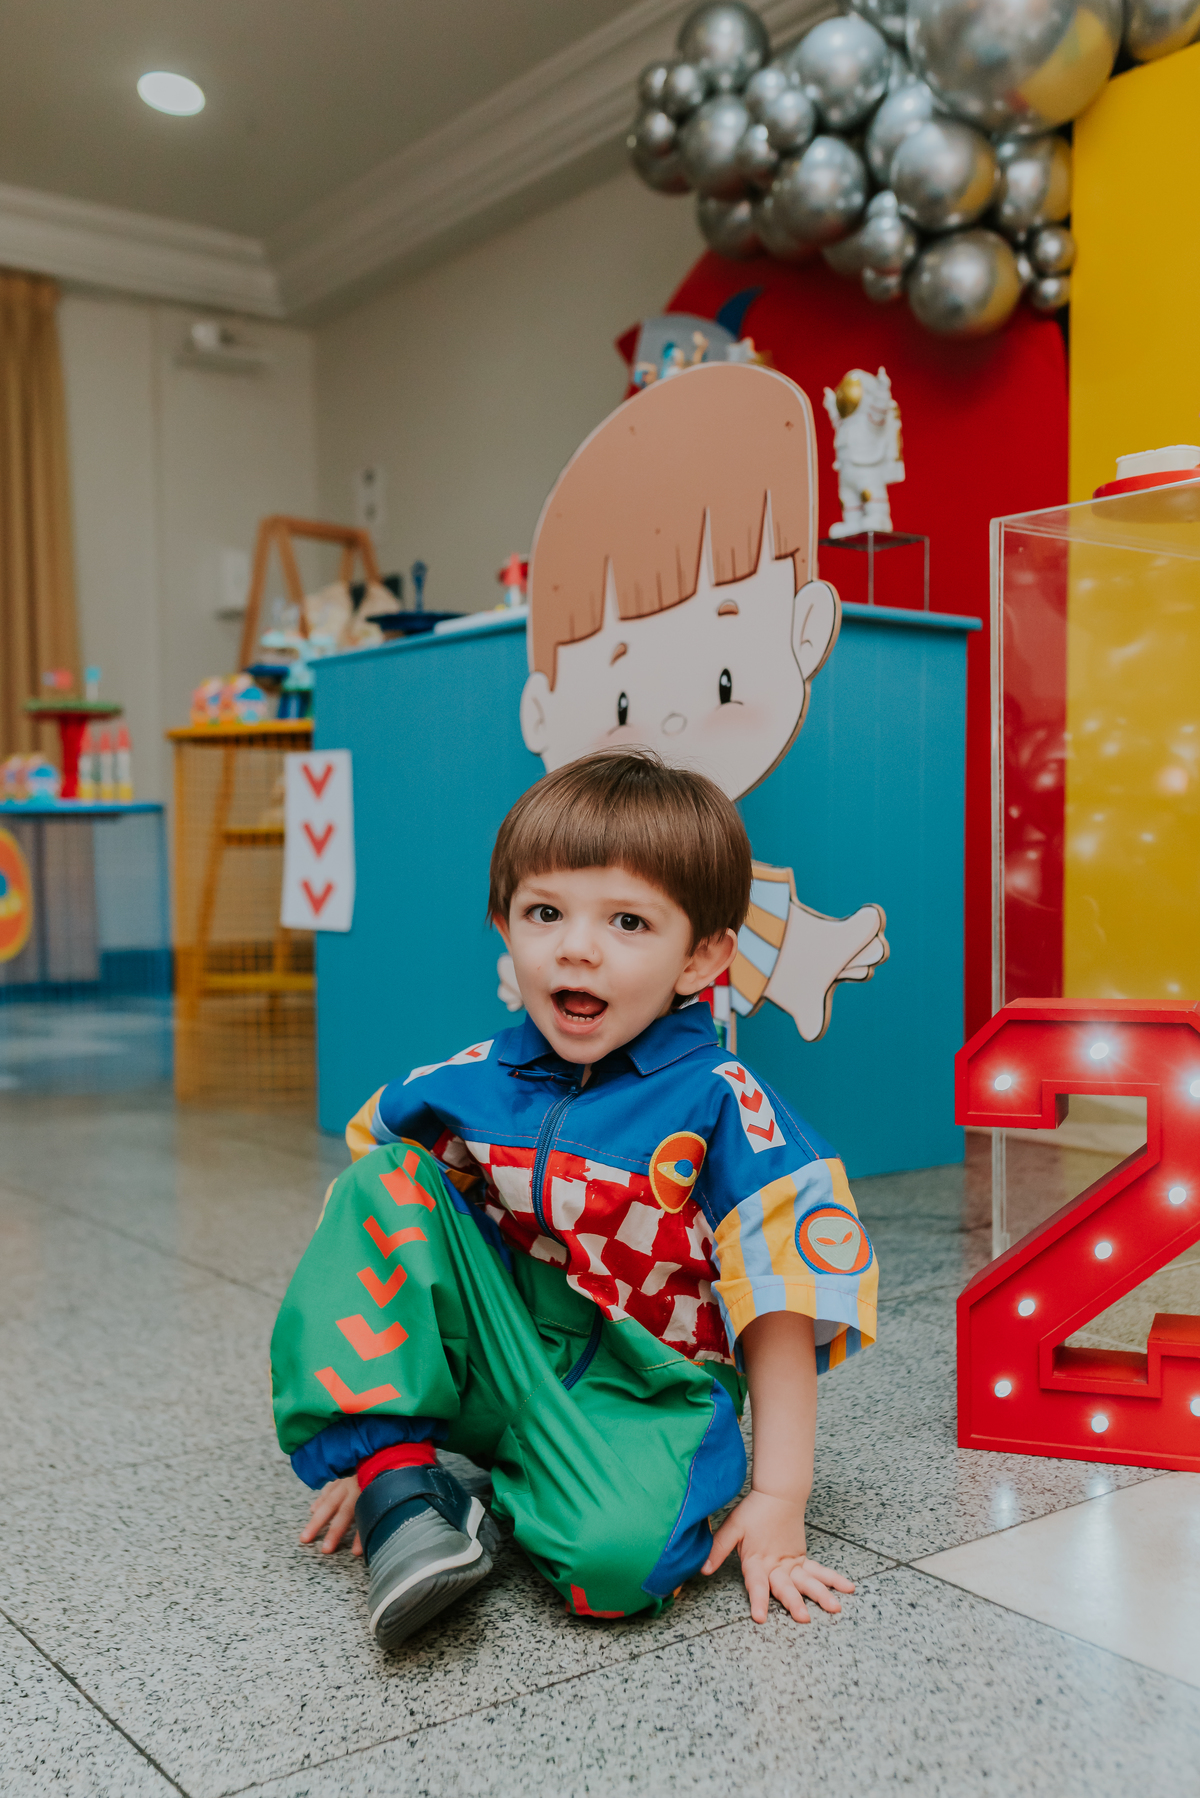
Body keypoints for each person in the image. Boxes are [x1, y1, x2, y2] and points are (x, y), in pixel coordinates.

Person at [270, 750, 878, 1652]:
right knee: (383, 1177)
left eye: (628, 921)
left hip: (642, 1390)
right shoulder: (463, 1082)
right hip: (499, 1353)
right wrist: (373, 1434)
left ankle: (514, 1487)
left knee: (617, 1570)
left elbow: (784, 1298)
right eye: (543, 913)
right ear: (504, 925)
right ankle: (403, 1479)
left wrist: (780, 1495)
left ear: (702, 955)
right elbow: (378, 1232)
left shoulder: (723, 1105)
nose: (576, 947)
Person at [507, 360, 888, 1047]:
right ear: (541, 710)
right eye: (543, 915)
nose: (577, 949)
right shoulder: (488, 1075)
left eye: (721, 679)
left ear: (805, 629)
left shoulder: (717, 1089)